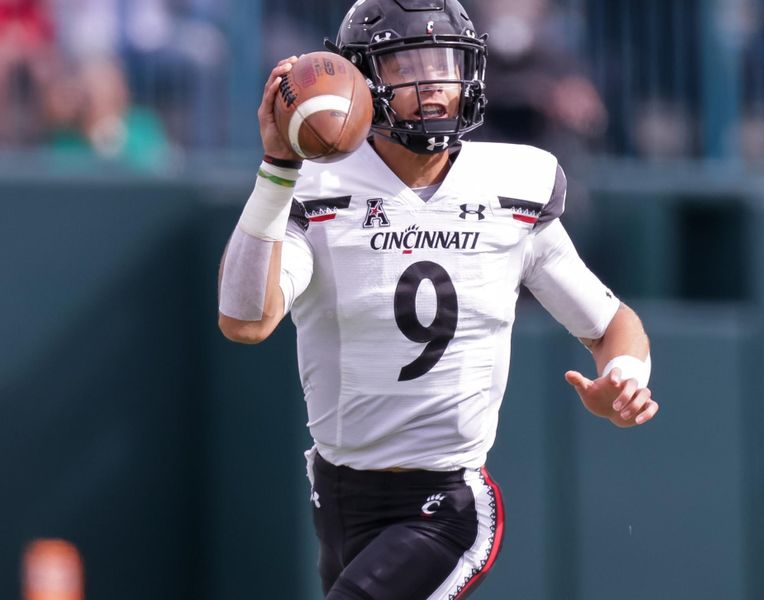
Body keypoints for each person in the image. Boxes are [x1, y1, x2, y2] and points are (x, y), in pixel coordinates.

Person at [217, 0, 658, 598]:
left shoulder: (514, 184)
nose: (433, 86)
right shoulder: (318, 186)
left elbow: (611, 324)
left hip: (447, 506)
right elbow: (246, 319)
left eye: (445, 65)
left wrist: (625, 377)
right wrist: (276, 169)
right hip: (337, 494)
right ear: (364, 81)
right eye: (406, 67)